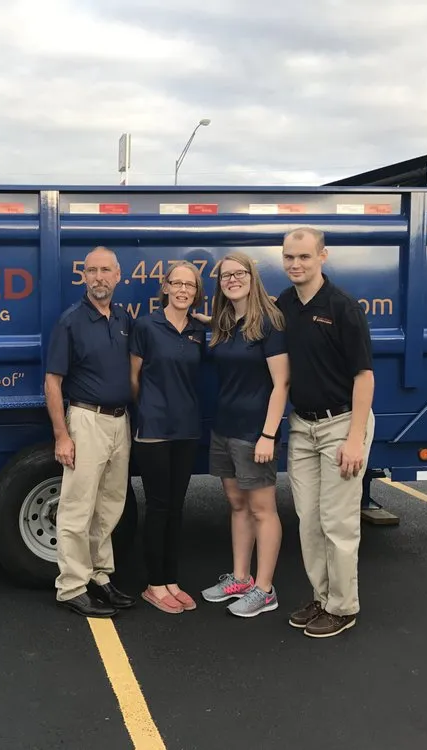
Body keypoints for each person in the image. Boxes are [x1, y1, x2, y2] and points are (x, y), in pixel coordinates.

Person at [275, 226, 375, 639]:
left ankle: (343, 606)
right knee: (309, 521)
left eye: (304, 257)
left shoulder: (342, 306)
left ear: (322, 257)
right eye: (289, 257)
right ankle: (321, 598)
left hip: (341, 426)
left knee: (338, 522)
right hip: (303, 427)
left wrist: (354, 440)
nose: (295, 264)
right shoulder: (284, 304)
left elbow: (364, 376)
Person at [195, 252, 291, 619]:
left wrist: (268, 434)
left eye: (239, 273)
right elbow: (216, 329)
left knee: (262, 510)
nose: (232, 279)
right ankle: (240, 577)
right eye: (225, 276)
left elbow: (281, 383)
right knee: (237, 505)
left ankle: (264, 590)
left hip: (254, 432)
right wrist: (203, 319)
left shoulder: (269, 321)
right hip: (224, 428)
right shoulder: (226, 324)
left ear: (252, 277)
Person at [44, 245, 136, 618]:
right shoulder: (71, 321)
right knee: (77, 508)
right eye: (92, 271)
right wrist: (62, 435)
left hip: (119, 422)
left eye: (106, 271)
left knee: (109, 505)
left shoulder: (121, 318)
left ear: (118, 276)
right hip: (86, 421)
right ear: (83, 277)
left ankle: (100, 575)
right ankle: (71, 587)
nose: (99, 277)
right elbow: (52, 383)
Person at [129, 261, 208, 614]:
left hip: (187, 428)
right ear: (164, 287)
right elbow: (134, 378)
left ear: (196, 292)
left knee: (177, 507)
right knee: (159, 506)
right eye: (176, 283)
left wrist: (206, 319)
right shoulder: (146, 325)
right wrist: (145, 411)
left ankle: (171, 579)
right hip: (155, 430)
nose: (182, 290)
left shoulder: (197, 330)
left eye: (189, 286)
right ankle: (154, 584)